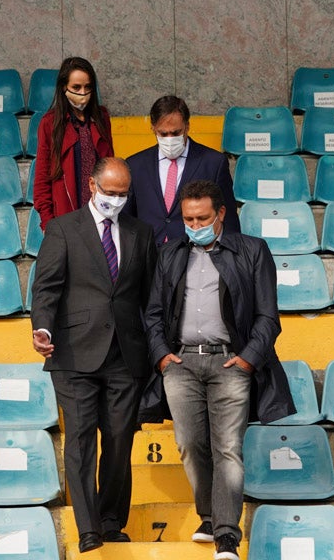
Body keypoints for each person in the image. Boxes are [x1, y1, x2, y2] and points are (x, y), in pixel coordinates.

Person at [141, 179, 295, 560]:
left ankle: (227, 535)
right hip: (180, 363)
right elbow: (153, 314)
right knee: (190, 445)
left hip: (230, 362)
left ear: (221, 214)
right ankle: (210, 516)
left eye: (202, 217)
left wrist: (247, 360)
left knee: (228, 447)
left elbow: (267, 316)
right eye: (188, 219)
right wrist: (162, 355)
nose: (194, 225)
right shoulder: (170, 253)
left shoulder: (252, 251)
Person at [31, 157, 157, 553]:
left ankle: (110, 519)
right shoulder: (63, 228)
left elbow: (150, 296)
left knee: (119, 439)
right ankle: (88, 527)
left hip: (126, 353)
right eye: (110, 192)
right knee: (81, 439)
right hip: (72, 352)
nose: (115, 201)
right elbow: (46, 287)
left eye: (122, 195)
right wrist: (42, 328)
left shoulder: (142, 232)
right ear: (91, 185)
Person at [124, 95, 238, 245]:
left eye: (176, 133)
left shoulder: (213, 162)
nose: (170, 139)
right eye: (163, 134)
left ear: (187, 126)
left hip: (194, 253)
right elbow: (127, 219)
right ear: (153, 128)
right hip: (149, 255)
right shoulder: (135, 164)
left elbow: (228, 218)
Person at [33, 56, 113, 230]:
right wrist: (48, 224)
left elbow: (110, 165)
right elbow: (41, 180)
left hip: (100, 215)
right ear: (64, 87)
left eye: (88, 87)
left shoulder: (102, 117)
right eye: (76, 87)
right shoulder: (50, 123)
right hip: (66, 218)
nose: (83, 93)